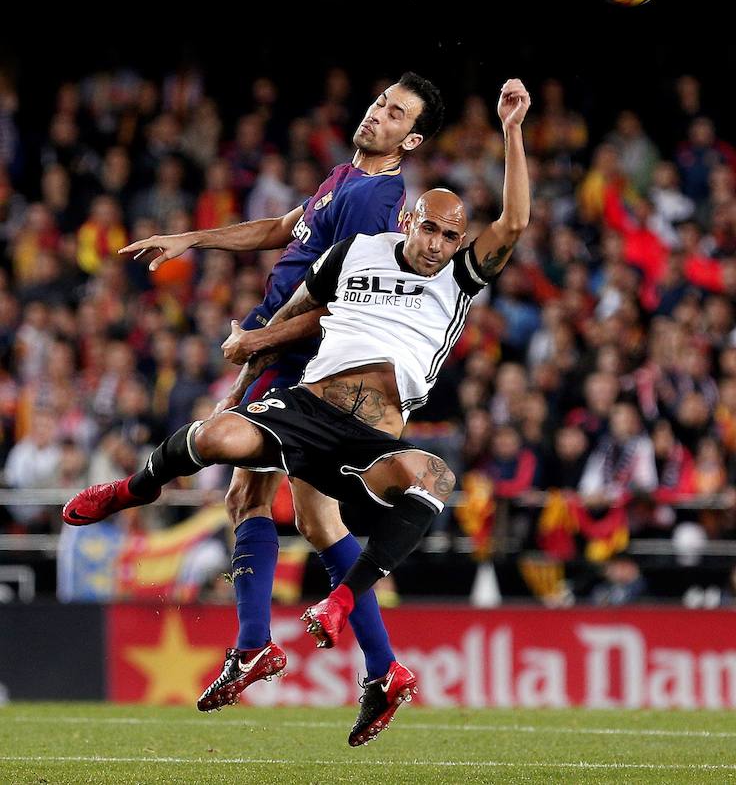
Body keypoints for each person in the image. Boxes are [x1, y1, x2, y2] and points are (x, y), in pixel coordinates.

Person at [63, 77, 531, 743]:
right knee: (315, 519)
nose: (378, 114)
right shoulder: (343, 179)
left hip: (309, 360)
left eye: (396, 113)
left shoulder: (381, 202)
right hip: (289, 351)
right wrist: (195, 238)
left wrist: (258, 346)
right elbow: (285, 232)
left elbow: (338, 311)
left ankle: (257, 641)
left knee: (247, 498)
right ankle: (383, 667)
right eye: (379, 102)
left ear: (414, 139)